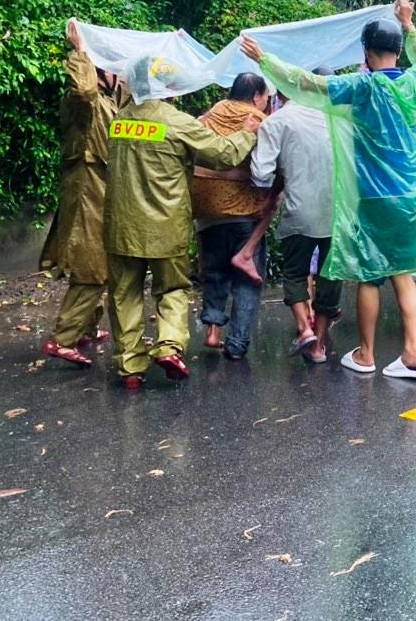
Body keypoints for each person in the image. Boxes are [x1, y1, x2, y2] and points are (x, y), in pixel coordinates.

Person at [240, 0, 416, 379]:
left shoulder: (362, 87)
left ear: (366, 53)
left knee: (369, 274)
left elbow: (307, 84)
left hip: (374, 196)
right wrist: (409, 23)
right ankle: (414, 351)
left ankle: (366, 355)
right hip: (413, 197)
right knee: (403, 272)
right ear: (399, 52)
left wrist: (264, 60)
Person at [104, 55, 257, 388]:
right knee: (171, 288)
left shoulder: (117, 121)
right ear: (169, 86)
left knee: (123, 294)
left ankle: (130, 367)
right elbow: (223, 155)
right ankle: (169, 346)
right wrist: (246, 133)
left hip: (121, 228)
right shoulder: (177, 122)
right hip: (165, 226)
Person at [38, 21, 124, 368]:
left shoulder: (110, 97)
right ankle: (64, 338)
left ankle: (87, 327)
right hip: (86, 182)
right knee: (92, 265)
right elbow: (84, 90)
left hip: (102, 183)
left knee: (100, 258)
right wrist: (81, 52)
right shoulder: (84, 99)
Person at [250, 67, 342, 364]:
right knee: (330, 277)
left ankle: (304, 328)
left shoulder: (279, 120)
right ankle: (319, 347)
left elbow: (261, 174)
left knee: (294, 273)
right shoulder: (342, 120)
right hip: (337, 214)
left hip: (299, 211)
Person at [190, 72, 272, 360]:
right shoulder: (258, 120)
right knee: (247, 280)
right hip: (242, 211)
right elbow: (267, 169)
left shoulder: (209, 114)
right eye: (266, 97)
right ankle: (236, 345)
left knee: (214, 272)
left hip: (205, 210)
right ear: (256, 97)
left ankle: (213, 331)